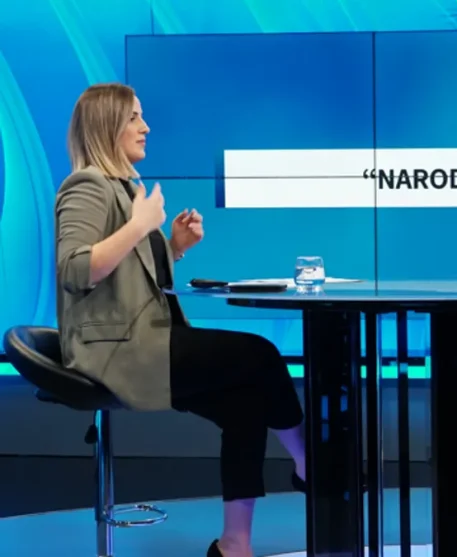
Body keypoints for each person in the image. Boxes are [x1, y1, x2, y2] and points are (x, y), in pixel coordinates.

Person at [55, 83, 307, 557]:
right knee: (260, 354)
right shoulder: (86, 185)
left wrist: (173, 247)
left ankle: (234, 546)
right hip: (116, 351)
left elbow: (128, 276)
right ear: (107, 125)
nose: (145, 127)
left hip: (146, 339)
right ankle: (309, 463)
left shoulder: (124, 189)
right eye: (134, 117)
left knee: (246, 404)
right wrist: (140, 225)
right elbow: (75, 270)